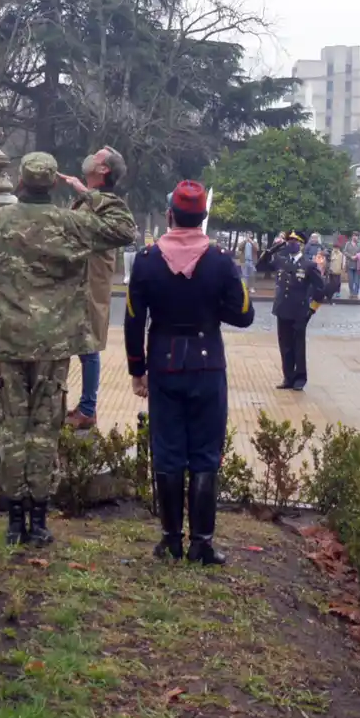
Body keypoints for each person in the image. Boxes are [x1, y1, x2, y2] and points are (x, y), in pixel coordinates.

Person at [0, 151, 136, 547]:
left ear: (22, 182)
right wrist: (89, 194)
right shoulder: (72, 223)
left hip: (10, 341)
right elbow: (125, 229)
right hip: (55, 343)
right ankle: (40, 520)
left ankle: (13, 521)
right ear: (51, 185)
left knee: (13, 428)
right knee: (45, 431)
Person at [126, 180, 254, 565]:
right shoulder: (219, 260)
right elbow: (244, 315)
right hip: (206, 364)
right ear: (202, 218)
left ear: (170, 216)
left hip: (164, 362)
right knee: (204, 454)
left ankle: (170, 541)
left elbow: (134, 321)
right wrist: (214, 305)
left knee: (167, 453)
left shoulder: (147, 260)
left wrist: (137, 370)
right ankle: (202, 543)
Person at [67, 147, 128, 431]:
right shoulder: (87, 200)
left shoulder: (110, 202)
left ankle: (88, 408)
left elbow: (124, 231)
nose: (90, 156)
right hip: (75, 282)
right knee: (69, 343)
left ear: (103, 170)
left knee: (89, 347)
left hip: (92, 284)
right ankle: (74, 404)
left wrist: (84, 192)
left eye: (97, 155)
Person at [256, 232, 326, 390]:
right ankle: (288, 377)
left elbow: (321, 289)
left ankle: (300, 378)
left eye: (294, 241)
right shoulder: (281, 261)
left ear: (301, 244)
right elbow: (260, 267)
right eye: (289, 241)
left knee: (298, 346)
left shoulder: (308, 265)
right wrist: (269, 252)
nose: (291, 243)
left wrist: (312, 309)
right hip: (282, 309)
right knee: (285, 346)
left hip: (300, 311)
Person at [344, 232, 360, 298]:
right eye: (354, 236)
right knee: (351, 280)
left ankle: (356, 293)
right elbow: (345, 252)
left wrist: (357, 256)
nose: (355, 237)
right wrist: (350, 256)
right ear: (352, 236)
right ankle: (351, 292)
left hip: (358, 265)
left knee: (357, 281)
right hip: (350, 264)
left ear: (358, 237)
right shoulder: (348, 243)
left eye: (356, 236)